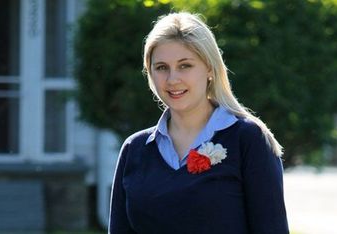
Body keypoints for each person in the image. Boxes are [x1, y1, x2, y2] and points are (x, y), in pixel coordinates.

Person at [109, 12, 289, 234]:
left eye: (185, 65)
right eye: (161, 67)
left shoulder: (248, 139)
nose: (172, 79)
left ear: (210, 69)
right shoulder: (134, 149)